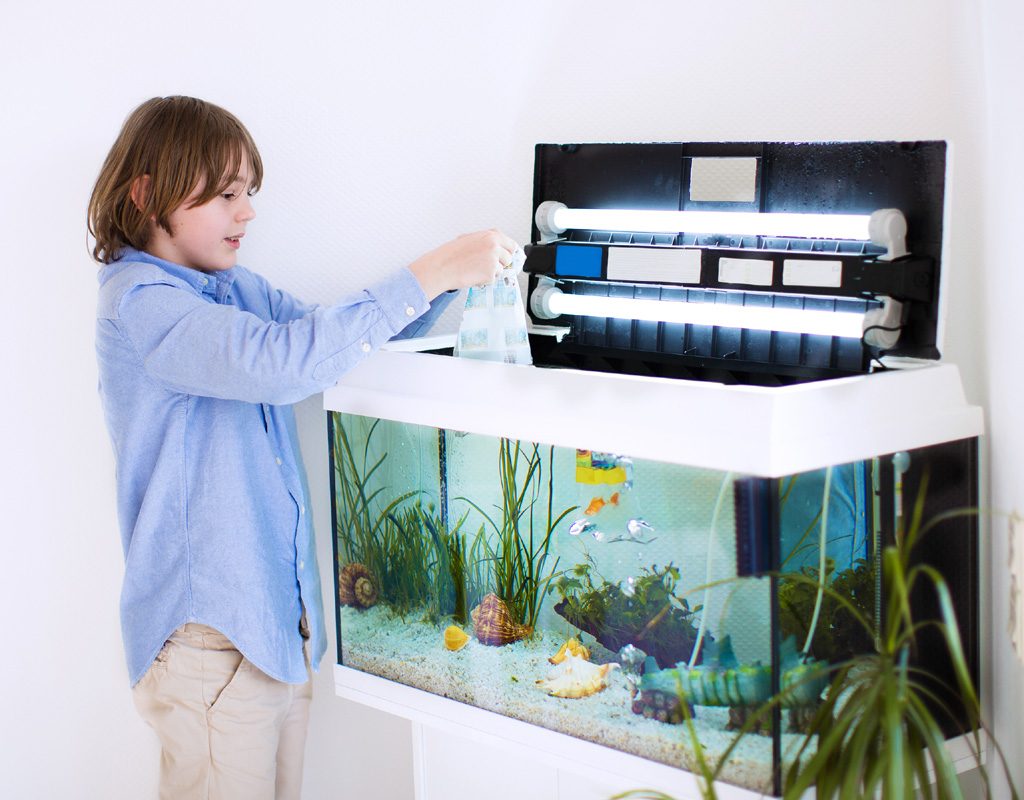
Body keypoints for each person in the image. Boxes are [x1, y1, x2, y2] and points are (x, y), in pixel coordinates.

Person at [88, 95, 518, 800]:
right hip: (208, 641)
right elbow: (284, 364)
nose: (247, 212)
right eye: (226, 194)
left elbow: (336, 345)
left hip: (273, 629)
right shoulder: (141, 303)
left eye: (247, 193)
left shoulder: (234, 291)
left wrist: (447, 285)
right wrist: (433, 268)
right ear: (146, 194)